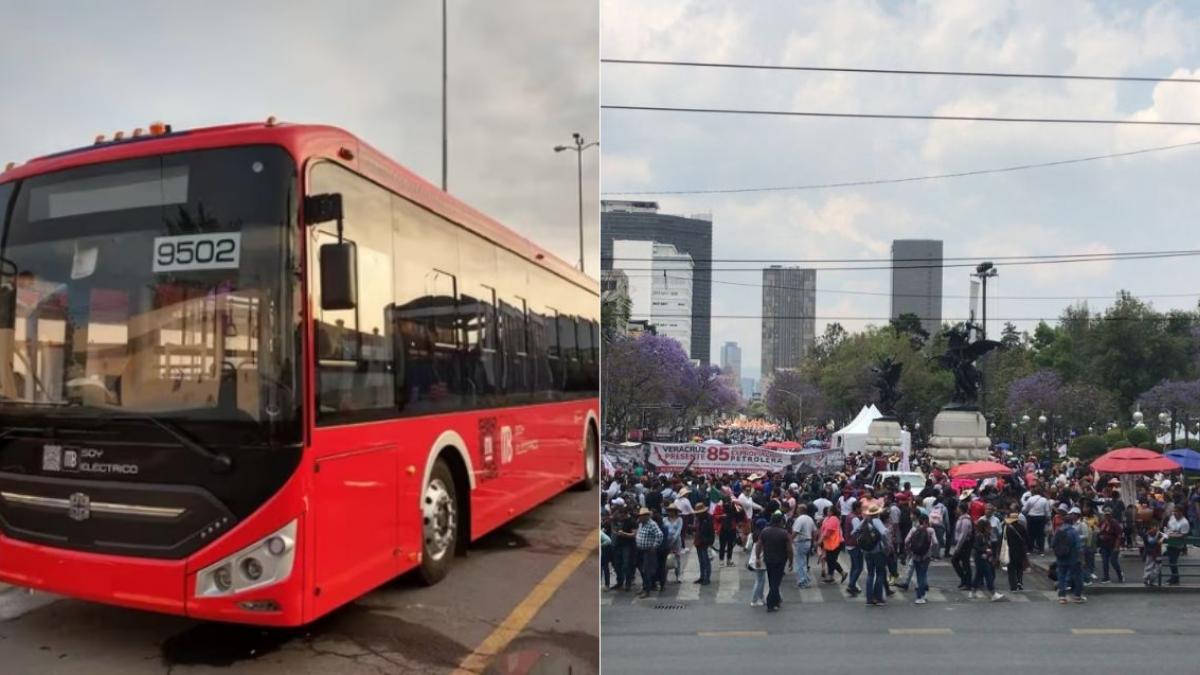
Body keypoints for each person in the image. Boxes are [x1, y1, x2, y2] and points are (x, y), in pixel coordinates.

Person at [854, 504, 890, 606]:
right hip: (877, 551)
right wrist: (887, 546)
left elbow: (855, 531)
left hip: (867, 551)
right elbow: (884, 533)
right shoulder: (877, 521)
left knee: (870, 574)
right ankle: (878, 598)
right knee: (880, 573)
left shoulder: (865, 521)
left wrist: (862, 543)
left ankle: (869, 599)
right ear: (877, 513)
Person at [757, 512, 794, 612]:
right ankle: (770, 603)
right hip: (780, 560)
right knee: (775, 583)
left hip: (768, 559)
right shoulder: (784, 533)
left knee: (772, 580)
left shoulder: (765, 531)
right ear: (780, 521)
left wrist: (757, 558)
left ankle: (776, 600)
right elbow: (789, 549)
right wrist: (791, 561)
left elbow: (759, 545)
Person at [1052, 510, 1086, 604]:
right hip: (1073, 558)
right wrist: (1082, 559)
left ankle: (1062, 597)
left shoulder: (1058, 531)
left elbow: (1053, 544)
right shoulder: (1074, 532)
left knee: (1061, 576)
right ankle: (1077, 596)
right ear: (1072, 522)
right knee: (1077, 576)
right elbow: (1079, 546)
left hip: (1061, 557)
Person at [903, 513, 937, 604]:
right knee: (923, 574)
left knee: (919, 575)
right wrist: (931, 552)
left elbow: (906, 541)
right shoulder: (930, 530)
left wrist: (909, 551)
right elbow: (936, 542)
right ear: (927, 521)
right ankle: (920, 596)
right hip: (926, 556)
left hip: (915, 555)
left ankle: (920, 596)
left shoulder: (914, 529)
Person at [970, 518, 1004, 601]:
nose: (990, 529)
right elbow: (976, 546)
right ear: (984, 528)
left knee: (979, 575)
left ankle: (972, 592)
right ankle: (993, 593)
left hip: (983, 558)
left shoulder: (985, 536)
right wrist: (985, 550)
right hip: (981, 558)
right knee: (988, 575)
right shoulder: (980, 536)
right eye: (989, 527)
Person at [634, 507, 663, 598]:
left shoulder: (652, 524)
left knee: (646, 570)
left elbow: (659, 535)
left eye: (642, 516)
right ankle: (644, 587)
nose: (640, 518)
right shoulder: (641, 524)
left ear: (646, 516)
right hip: (640, 550)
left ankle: (647, 590)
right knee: (641, 570)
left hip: (648, 551)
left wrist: (654, 546)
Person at [817, 505, 847, 583]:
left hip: (836, 543)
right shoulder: (830, 519)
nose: (827, 512)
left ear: (832, 512)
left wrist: (820, 540)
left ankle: (841, 573)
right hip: (831, 543)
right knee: (830, 559)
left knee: (831, 559)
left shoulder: (833, 519)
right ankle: (831, 576)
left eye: (829, 510)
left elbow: (828, 532)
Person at [1164, 504, 1191, 585]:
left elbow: (1183, 535)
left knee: (1173, 561)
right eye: (1174, 511)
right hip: (1170, 542)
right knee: (1170, 560)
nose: (1174, 513)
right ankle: (1174, 577)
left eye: (1176, 512)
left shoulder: (1184, 523)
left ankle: (1175, 578)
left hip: (1177, 545)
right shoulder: (1172, 518)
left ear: (1181, 512)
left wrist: (1172, 535)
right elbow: (1169, 526)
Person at [1097, 507, 1125, 583]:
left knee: (1113, 561)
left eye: (1108, 515)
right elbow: (1099, 530)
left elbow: (1119, 535)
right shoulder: (1102, 522)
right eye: (1105, 515)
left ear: (1111, 515)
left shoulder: (1114, 523)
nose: (1107, 516)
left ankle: (1120, 574)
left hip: (1113, 545)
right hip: (1104, 545)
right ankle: (1106, 577)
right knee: (1104, 561)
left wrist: (1117, 546)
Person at [791, 504, 816, 588]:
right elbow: (814, 531)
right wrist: (813, 541)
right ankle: (805, 578)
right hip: (808, 542)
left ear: (800, 510)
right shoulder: (810, 519)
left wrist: (790, 540)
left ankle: (802, 580)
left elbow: (796, 531)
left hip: (800, 542)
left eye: (798, 509)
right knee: (803, 561)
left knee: (800, 562)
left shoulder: (800, 519)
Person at [844, 501, 865, 596]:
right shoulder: (855, 519)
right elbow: (857, 532)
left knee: (854, 566)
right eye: (861, 508)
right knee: (859, 567)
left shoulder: (849, 516)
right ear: (857, 508)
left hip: (849, 544)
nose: (862, 509)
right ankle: (851, 585)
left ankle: (852, 585)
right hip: (855, 545)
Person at [1003, 511, 1028, 591]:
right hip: (1020, 551)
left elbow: (1004, 540)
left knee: (1011, 569)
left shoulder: (1007, 528)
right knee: (1019, 568)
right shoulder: (1022, 527)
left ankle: (1013, 586)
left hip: (1010, 551)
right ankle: (1019, 582)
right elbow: (1026, 539)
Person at [951, 507, 974, 590]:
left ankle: (967, 582)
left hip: (964, 544)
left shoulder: (965, 520)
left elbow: (963, 535)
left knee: (964, 563)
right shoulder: (961, 519)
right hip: (962, 544)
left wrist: (957, 547)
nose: (956, 510)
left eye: (958, 509)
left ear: (961, 510)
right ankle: (964, 580)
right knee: (959, 562)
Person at [692, 502, 715, 585]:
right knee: (701, 561)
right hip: (699, 542)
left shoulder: (708, 520)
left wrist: (709, 543)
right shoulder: (699, 519)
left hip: (705, 543)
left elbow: (711, 532)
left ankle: (707, 578)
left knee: (706, 561)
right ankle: (702, 577)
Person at [747, 521, 766, 607]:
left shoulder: (752, 534)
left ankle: (760, 597)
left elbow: (747, 548)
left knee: (761, 580)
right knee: (759, 581)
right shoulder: (763, 535)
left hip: (754, 559)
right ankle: (754, 600)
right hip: (760, 560)